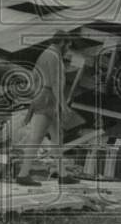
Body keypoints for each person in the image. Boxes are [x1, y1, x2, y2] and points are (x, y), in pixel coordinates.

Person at [15, 30, 78, 187]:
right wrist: (63, 105)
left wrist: (36, 95)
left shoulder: (45, 53)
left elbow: (34, 75)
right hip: (48, 98)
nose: (68, 49)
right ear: (62, 42)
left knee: (57, 139)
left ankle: (63, 175)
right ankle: (23, 175)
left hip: (43, 96)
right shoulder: (55, 56)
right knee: (36, 138)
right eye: (68, 45)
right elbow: (56, 83)